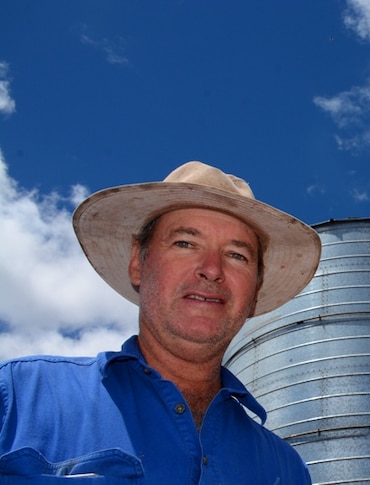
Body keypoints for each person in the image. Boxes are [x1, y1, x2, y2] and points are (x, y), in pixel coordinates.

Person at [0, 161, 321, 484]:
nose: (212, 269)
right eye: (185, 243)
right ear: (138, 263)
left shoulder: (286, 471)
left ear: (254, 291)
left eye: (237, 255)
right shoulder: (21, 398)